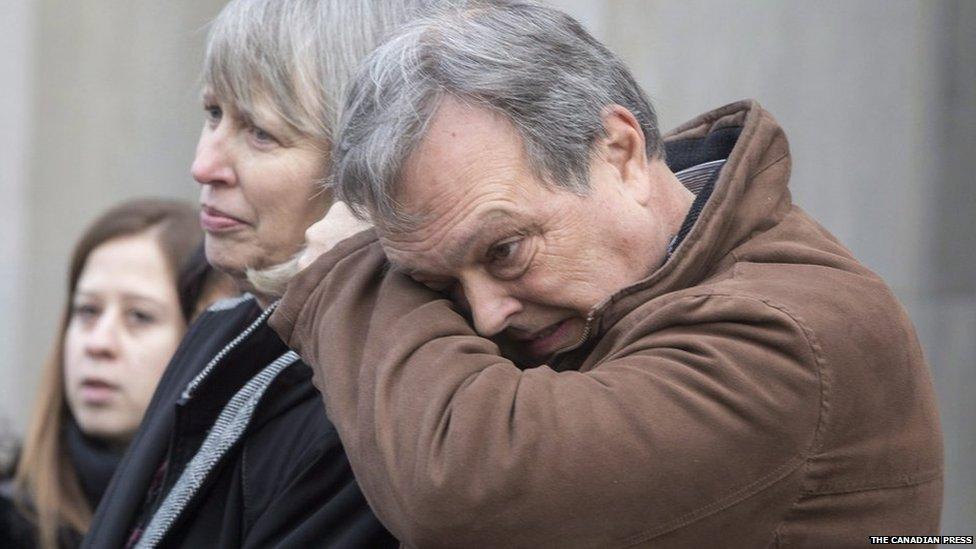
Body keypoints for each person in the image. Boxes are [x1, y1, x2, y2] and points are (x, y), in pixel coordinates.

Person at [270, 1, 945, 547]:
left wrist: (343, 276)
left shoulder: (787, 338)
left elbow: (464, 488)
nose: (485, 317)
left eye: (504, 250)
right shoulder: (646, 284)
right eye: (439, 285)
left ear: (620, 152)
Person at [82, 1, 445, 548]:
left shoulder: (379, 411)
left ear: (374, 163)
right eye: (213, 113)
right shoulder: (224, 327)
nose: (204, 164)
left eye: (261, 133)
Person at [0, 198, 236, 549]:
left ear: (200, 337)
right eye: (87, 311)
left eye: (139, 316)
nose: (98, 343)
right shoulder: (11, 517)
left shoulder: (240, 515)